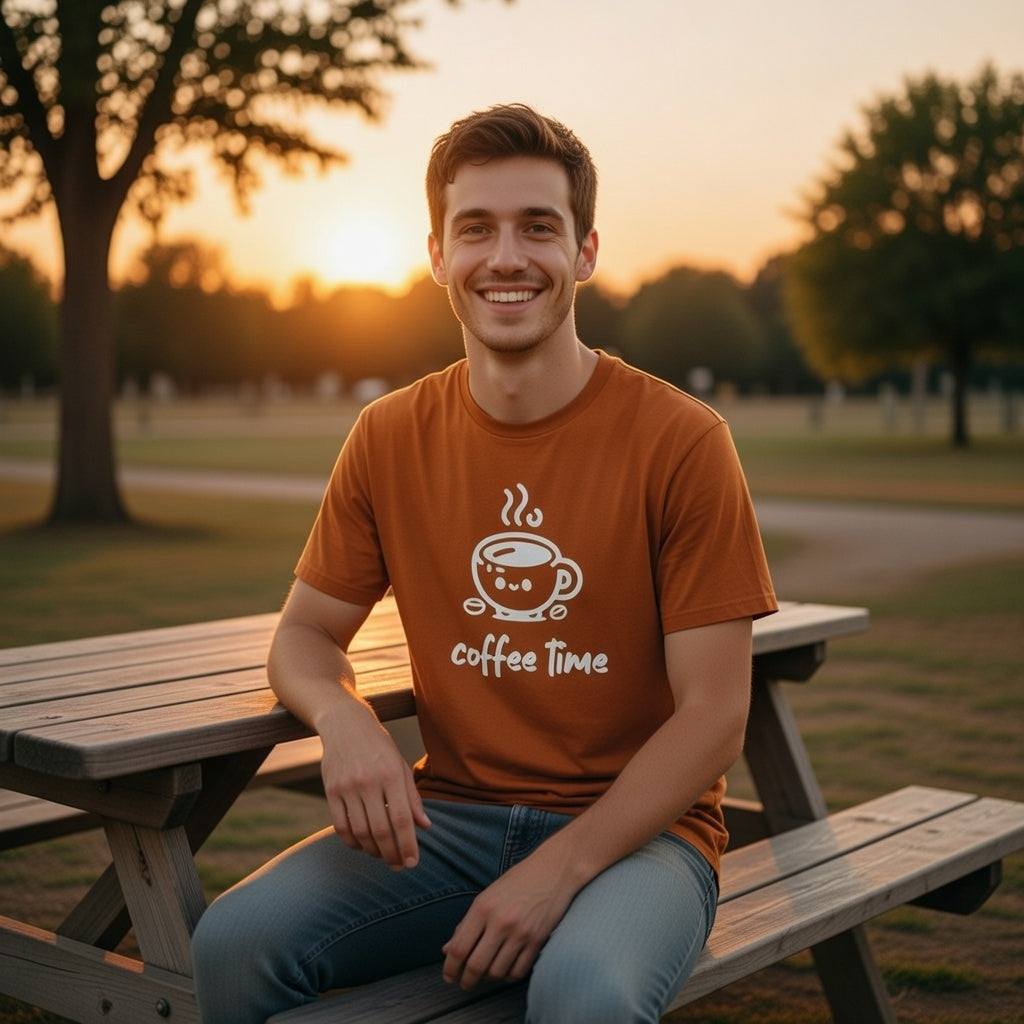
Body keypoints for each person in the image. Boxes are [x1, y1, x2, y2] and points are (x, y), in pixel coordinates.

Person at [191, 103, 777, 1024]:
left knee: (583, 995)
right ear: (437, 256)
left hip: (642, 838)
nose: (507, 257)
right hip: (452, 822)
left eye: (538, 227)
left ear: (584, 252)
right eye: (476, 229)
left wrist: (559, 870)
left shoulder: (683, 441)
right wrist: (342, 717)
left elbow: (714, 717)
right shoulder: (388, 435)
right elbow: (304, 634)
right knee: (231, 943)